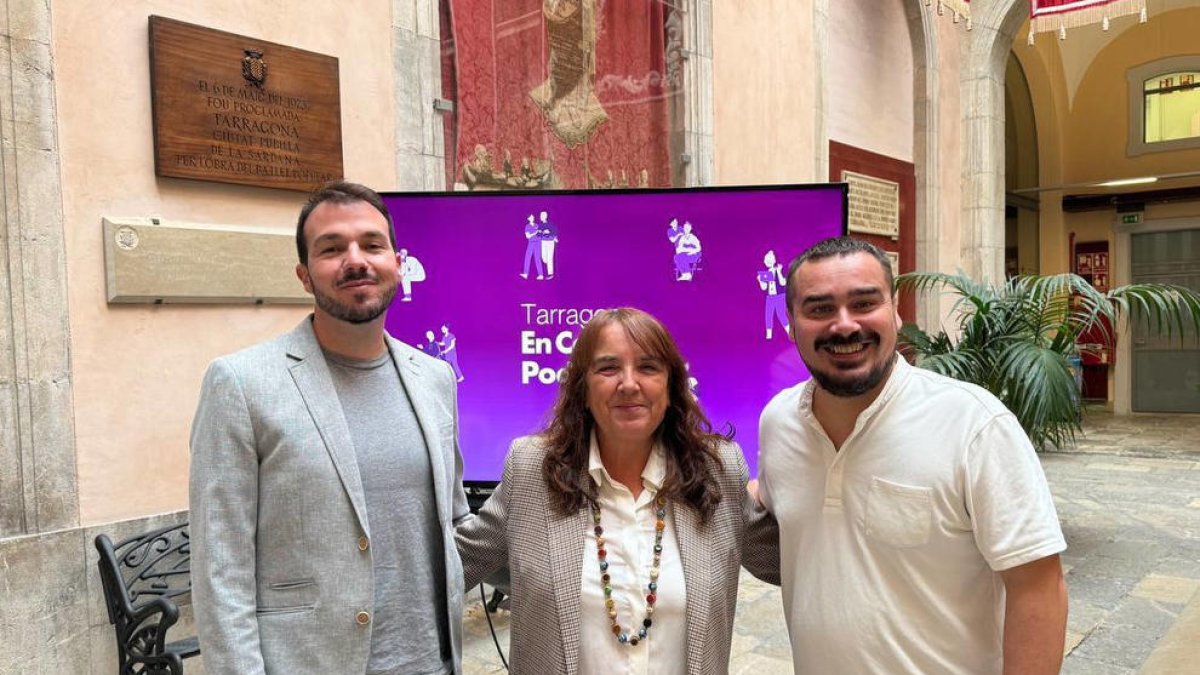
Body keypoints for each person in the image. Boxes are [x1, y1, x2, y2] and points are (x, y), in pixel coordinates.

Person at [189, 181, 470, 675]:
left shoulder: (436, 379)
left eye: (372, 244)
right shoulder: (240, 383)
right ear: (304, 275)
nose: (356, 260)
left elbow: (456, 525)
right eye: (332, 248)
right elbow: (221, 569)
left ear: (398, 263)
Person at [756, 236, 1068, 674]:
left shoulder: (973, 425)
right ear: (790, 323)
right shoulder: (779, 422)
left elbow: (1038, 586)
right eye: (819, 308)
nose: (844, 325)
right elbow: (778, 504)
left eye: (864, 303)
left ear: (895, 310)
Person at [457, 308, 779, 673]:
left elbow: (790, 565)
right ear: (582, 388)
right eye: (608, 368)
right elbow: (453, 567)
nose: (629, 384)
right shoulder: (532, 469)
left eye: (648, 367)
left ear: (672, 386)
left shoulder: (718, 471)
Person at [757, 250, 789, 340]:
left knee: (781, 315)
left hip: (779, 296)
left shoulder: (779, 269)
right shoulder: (767, 273)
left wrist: (779, 272)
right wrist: (760, 280)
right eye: (767, 261)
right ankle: (769, 335)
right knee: (768, 315)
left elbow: (783, 282)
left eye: (769, 260)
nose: (768, 262)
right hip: (770, 297)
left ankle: (789, 331)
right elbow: (764, 288)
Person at [520, 213, 545, 280]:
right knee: (527, 257)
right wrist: (535, 232)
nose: (533, 217)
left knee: (537, 258)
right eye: (531, 217)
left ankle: (541, 275)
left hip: (538, 243)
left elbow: (540, 234)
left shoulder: (537, 225)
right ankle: (525, 274)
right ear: (528, 219)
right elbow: (527, 236)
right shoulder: (527, 226)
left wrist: (542, 232)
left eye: (533, 216)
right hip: (531, 243)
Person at [538, 210, 558, 279]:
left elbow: (555, 231)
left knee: (550, 258)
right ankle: (548, 263)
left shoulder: (551, 224)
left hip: (550, 242)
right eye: (540, 215)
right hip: (543, 242)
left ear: (545, 216)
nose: (541, 216)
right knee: (544, 258)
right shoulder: (540, 225)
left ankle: (550, 274)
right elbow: (538, 234)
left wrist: (553, 236)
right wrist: (542, 232)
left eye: (542, 215)